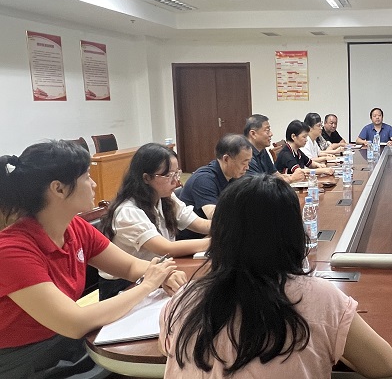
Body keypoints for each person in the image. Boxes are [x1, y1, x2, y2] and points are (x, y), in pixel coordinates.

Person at [159, 174, 392, 378]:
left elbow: (167, 349)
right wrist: (335, 342)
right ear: (293, 233)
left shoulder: (181, 301)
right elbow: (384, 366)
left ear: (220, 235)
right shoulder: (320, 297)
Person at [0, 140, 184, 379]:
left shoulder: (74, 227)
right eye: (87, 177)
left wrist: (164, 273)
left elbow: (130, 266)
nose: (94, 183)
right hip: (25, 360)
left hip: (64, 341)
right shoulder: (12, 251)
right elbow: (75, 322)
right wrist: (148, 284)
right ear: (59, 189)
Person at [97, 143, 211, 300]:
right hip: (124, 285)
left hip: (156, 274)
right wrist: (215, 242)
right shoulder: (127, 211)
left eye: (177, 173)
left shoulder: (166, 198)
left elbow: (201, 224)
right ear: (146, 178)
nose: (177, 182)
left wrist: (231, 227)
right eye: (169, 175)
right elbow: (166, 248)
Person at [177, 135, 252, 240]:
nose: (247, 167)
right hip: (195, 241)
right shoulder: (203, 179)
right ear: (226, 159)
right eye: (244, 162)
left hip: (217, 233)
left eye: (249, 162)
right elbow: (216, 216)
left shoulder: (234, 176)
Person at [244, 114, 304, 183]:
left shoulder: (262, 150)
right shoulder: (246, 154)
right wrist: (291, 179)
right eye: (267, 130)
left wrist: (289, 176)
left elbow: (274, 174)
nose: (271, 134)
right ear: (253, 134)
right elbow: (259, 186)